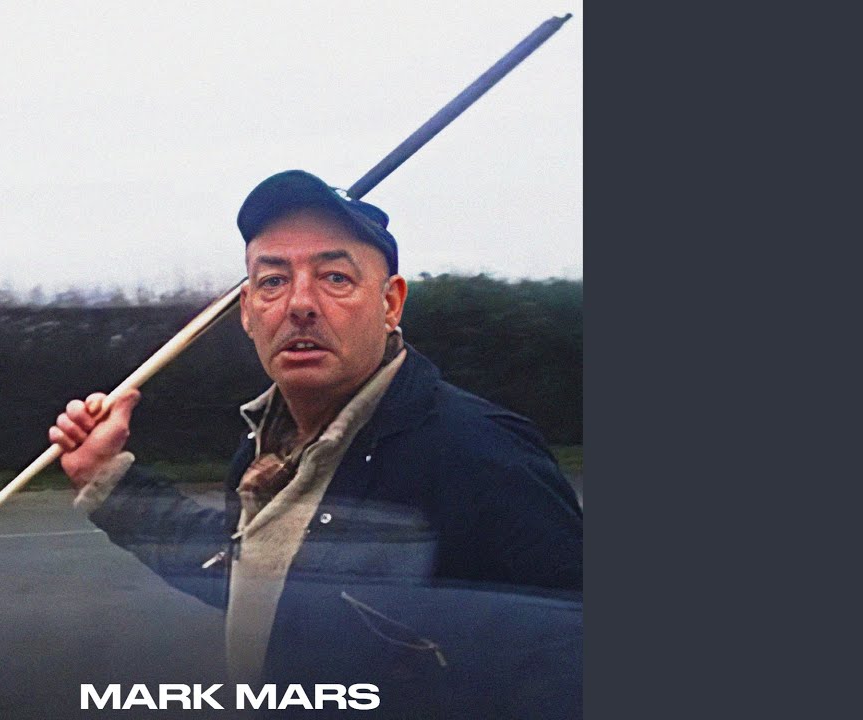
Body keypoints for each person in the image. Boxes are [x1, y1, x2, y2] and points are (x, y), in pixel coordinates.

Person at [48, 170, 583, 702]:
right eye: (273, 281)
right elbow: (247, 576)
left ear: (391, 303)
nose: (299, 303)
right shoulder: (264, 451)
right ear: (247, 312)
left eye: (335, 277)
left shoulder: (483, 457)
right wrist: (105, 477)